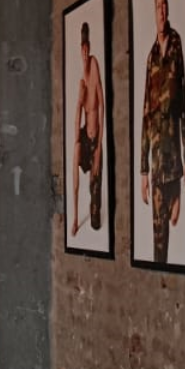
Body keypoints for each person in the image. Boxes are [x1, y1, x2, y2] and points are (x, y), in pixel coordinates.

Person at [139, 0, 185, 263]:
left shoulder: (176, 45)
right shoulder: (150, 58)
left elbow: (183, 104)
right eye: (158, 6)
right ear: (153, 10)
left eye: (165, 5)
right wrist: (143, 170)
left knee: (175, 228)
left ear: (168, 8)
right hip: (157, 164)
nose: (161, 11)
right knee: (159, 243)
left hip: (174, 163)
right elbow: (145, 115)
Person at [71, 19, 104, 236]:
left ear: (89, 47)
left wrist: (99, 145)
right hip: (84, 135)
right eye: (81, 50)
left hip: (95, 136)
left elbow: (102, 105)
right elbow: (76, 123)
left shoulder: (94, 66)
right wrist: (78, 102)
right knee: (75, 149)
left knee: (95, 219)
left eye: (86, 49)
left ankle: (94, 208)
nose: (84, 53)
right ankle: (74, 216)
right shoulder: (81, 82)